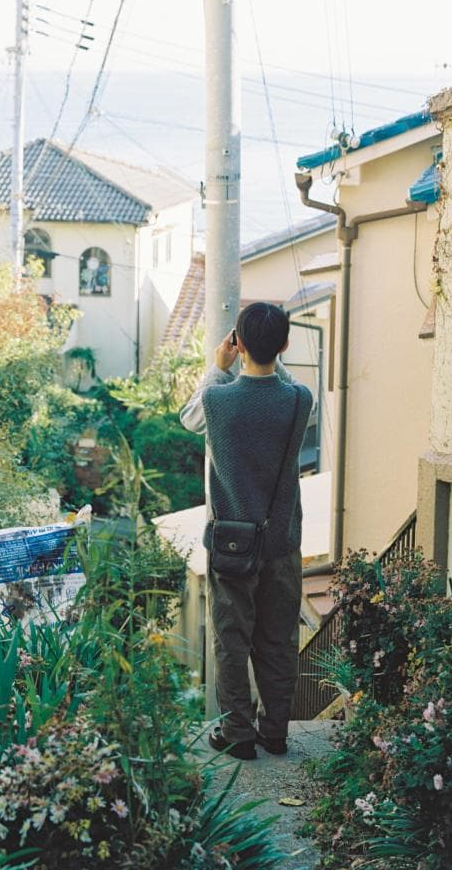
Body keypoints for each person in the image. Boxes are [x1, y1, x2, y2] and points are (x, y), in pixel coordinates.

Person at [180, 302, 313, 760]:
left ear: (236, 345)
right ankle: (274, 731)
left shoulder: (217, 401)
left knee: (231, 639)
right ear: (286, 345)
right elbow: (287, 383)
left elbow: (188, 417)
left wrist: (217, 370)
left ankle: (238, 732)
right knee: (278, 639)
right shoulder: (299, 399)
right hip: (282, 539)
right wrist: (269, 351)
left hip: (231, 542)